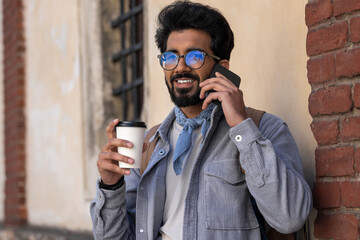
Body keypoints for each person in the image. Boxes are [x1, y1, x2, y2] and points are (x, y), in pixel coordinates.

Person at [90, 1, 312, 239]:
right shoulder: (148, 145)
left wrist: (241, 126)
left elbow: (290, 218)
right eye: (171, 57)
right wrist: (110, 186)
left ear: (221, 68)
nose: (180, 67)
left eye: (195, 56)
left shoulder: (264, 129)